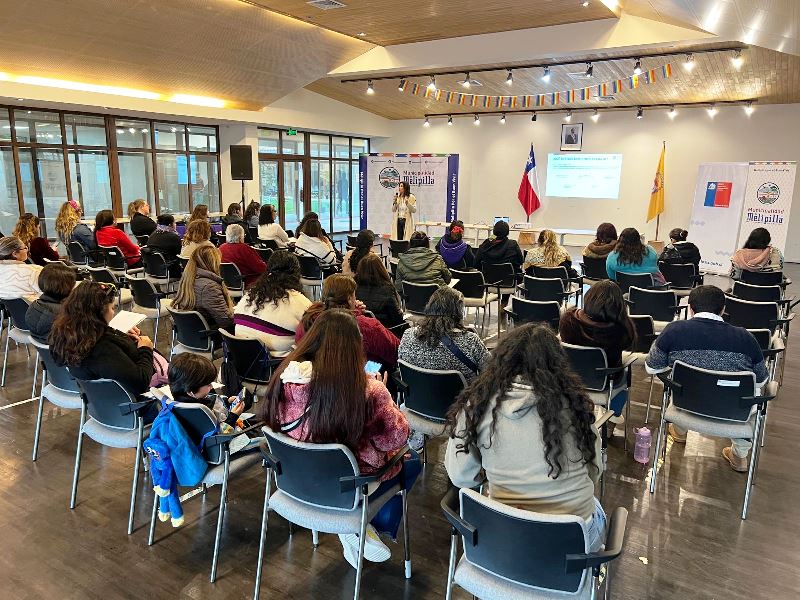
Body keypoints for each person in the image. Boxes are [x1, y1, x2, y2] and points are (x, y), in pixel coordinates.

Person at [259, 309, 419, 567]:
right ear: (355, 347)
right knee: (412, 461)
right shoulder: (368, 390)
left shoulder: (284, 379)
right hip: (348, 485)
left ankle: (358, 529)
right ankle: (367, 526)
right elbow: (395, 439)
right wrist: (385, 399)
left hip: (297, 480)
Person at [445, 324, 605, 550]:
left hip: (507, 539)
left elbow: (461, 476)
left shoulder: (477, 408)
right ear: (557, 364)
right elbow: (594, 473)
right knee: (596, 508)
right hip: (573, 544)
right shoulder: (576, 408)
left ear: (500, 362)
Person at [645, 285, 768, 472]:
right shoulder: (746, 338)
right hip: (733, 412)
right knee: (750, 392)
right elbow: (760, 380)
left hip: (686, 404)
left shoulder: (674, 330)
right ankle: (739, 455)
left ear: (690, 308)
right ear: (723, 310)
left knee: (678, 380)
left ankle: (680, 431)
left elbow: (652, 367)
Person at [49, 280, 155, 398]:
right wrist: (146, 349)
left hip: (96, 400)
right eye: (112, 308)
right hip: (129, 401)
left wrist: (117, 334)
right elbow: (141, 383)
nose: (113, 313)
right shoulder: (103, 349)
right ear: (100, 313)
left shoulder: (64, 334)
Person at [559, 280, 635, 430]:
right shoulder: (621, 329)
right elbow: (628, 345)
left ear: (589, 298)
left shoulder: (568, 320)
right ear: (619, 305)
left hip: (570, 378)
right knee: (626, 372)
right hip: (605, 381)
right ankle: (611, 421)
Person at [297, 274, 400, 369]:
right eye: (354, 296)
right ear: (350, 299)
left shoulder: (310, 319)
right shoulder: (366, 326)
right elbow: (396, 351)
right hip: (360, 376)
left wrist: (355, 311)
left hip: (318, 374)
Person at [399, 286, 489, 382]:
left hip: (415, 391)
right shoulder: (470, 341)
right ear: (459, 313)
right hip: (464, 392)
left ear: (429, 307)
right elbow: (492, 371)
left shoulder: (407, 335)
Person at [234, 251, 312, 356]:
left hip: (241, 353)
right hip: (277, 360)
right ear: (296, 274)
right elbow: (313, 334)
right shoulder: (300, 302)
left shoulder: (250, 294)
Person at [168, 353, 246, 428]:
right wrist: (233, 417)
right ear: (191, 391)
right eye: (208, 384)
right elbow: (218, 435)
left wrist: (227, 401)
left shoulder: (186, 397)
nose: (211, 387)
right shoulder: (197, 415)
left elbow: (210, 399)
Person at [172, 244, 234, 331]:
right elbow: (226, 322)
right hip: (211, 334)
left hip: (192, 332)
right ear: (213, 263)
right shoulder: (209, 287)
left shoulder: (188, 279)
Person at [26, 262, 76, 342]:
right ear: (68, 285)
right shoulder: (65, 313)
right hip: (62, 347)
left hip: (41, 346)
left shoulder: (34, 305)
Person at [355, 253, 404, 329]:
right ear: (381, 269)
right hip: (387, 330)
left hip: (363, 329)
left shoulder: (354, 287)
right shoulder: (387, 289)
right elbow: (397, 318)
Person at [0, 236, 43, 300]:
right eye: (25, 248)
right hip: (35, 305)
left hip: (10, 306)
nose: (27, 250)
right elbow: (49, 294)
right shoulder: (34, 271)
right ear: (15, 254)